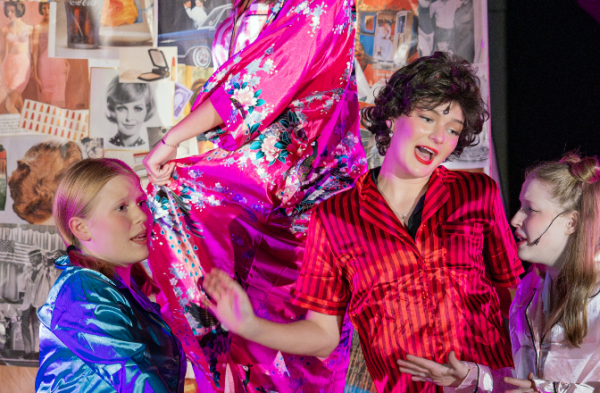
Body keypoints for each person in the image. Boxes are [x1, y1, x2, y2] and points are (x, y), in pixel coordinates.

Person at [201, 52, 524, 393]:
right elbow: (324, 336)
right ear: (393, 118)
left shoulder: (476, 193)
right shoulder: (335, 217)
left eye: (453, 129)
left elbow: (515, 299)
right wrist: (250, 325)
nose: (439, 136)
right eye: (427, 119)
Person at [142, 0, 366, 389]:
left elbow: (259, 84)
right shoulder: (246, 7)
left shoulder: (319, 4)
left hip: (306, 197)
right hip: (258, 192)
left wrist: (173, 138)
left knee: (295, 354)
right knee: (231, 332)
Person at [397, 153, 600, 393]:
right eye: (520, 207)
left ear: (571, 223)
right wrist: (471, 378)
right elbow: (524, 382)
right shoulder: (530, 291)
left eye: (531, 209)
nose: (515, 219)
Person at [35, 159, 186, 393]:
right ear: (81, 228)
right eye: (122, 208)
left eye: (141, 202)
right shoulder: (83, 293)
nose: (143, 216)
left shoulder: (122, 288)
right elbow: (139, 384)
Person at [32, 1, 69, 108]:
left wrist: (66, 62)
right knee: (45, 100)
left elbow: (59, 47)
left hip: (59, 65)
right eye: (44, 8)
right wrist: (35, 75)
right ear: (41, 9)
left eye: (49, 8)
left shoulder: (57, 26)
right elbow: (35, 52)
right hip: (44, 66)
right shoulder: (37, 27)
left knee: (59, 99)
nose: (47, 11)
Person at [0, 1, 32, 113]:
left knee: (9, 104)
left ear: (18, 11)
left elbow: (32, 50)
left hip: (23, 66)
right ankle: (26, 126)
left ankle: (21, 128)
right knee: (18, 102)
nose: (9, 14)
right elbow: (3, 52)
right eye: (8, 11)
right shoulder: (4, 29)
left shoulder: (29, 28)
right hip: (10, 66)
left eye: (12, 11)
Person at [106, 77, 154, 149]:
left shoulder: (152, 149)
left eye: (137, 109)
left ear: (147, 110)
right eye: (121, 109)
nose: (129, 118)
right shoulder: (104, 147)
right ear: (113, 110)